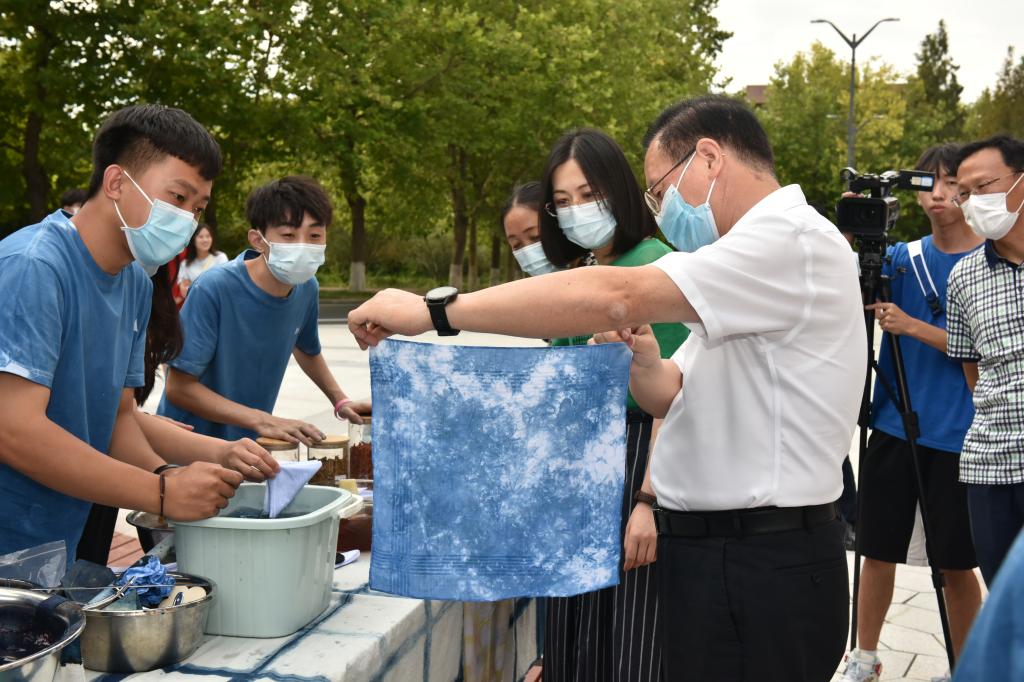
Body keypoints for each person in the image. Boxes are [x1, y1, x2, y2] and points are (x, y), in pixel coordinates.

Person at [347, 95, 866, 682]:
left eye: (659, 189)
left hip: (761, 557)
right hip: (717, 553)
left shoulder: (787, 241)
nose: (660, 208)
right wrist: (643, 360)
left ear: (709, 157)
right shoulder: (739, 262)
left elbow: (615, 294)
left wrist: (437, 311)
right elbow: (672, 392)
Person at [0, 104, 255, 560]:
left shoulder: (135, 282)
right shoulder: (33, 266)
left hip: (64, 538)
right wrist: (159, 492)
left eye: (197, 207)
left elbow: (116, 418)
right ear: (116, 182)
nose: (187, 220)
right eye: (178, 198)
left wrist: (168, 473)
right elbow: (14, 429)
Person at [526, 128, 688, 682]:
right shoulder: (582, 273)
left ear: (618, 190)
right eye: (564, 201)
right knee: (578, 640)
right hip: (583, 471)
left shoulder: (653, 268)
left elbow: (676, 397)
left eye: (589, 195)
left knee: (631, 643)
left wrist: (648, 501)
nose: (577, 212)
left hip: (637, 460)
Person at [839, 145, 983, 682]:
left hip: (957, 432)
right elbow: (840, 298)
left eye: (954, 185)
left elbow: (987, 346)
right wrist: (852, 232)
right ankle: (864, 655)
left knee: (955, 564)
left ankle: (969, 665)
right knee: (876, 549)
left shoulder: (989, 262)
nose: (940, 195)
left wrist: (913, 326)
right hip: (894, 424)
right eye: (931, 183)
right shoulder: (901, 259)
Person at [158, 176, 368, 445]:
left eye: (314, 235)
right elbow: (179, 388)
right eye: (288, 236)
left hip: (247, 447)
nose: (303, 246)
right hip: (187, 448)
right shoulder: (214, 288)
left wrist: (341, 401)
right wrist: (264, 420)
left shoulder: (306, 287)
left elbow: (306, 348)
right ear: (258, 240)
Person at [946, 134, 1024, 585]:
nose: (973, 201)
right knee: (1006, 604)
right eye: (965, 193)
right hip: (990, 467)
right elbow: (972, 370)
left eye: (984, 186)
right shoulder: (963, 277)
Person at [502, 181, 560, 277]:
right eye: (516, 245)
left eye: (536, 236)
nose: (529, 253)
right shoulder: (539, 290)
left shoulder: (592, 271)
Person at [177, 222, 228, 300]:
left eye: (208, 236)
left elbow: (223, 284)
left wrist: (193, 285)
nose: (205, 240)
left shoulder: (220, 258)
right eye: (201, 237)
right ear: (193, 239)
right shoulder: (185, 265)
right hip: (195, 307)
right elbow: (184, 292)